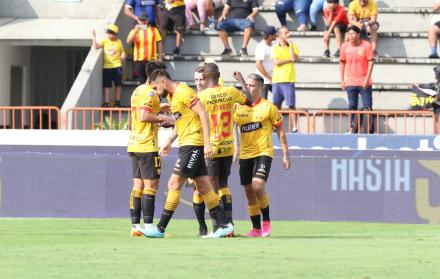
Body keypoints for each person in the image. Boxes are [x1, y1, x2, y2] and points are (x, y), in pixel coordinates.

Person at [143, 69, 234, 238]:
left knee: (173, 184)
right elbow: (182, 121)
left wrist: (207, 143)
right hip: (187, 144)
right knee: (204, 186)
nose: (156, 93)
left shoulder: (183, 91)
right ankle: (223, 226)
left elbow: (203, 114)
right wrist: (170, 141)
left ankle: (160, 229)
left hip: (194, 144)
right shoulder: (172, 97)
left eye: (155, 89)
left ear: (163, 82)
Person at [191, 63, 252, 236]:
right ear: (218, 75)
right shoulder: (230, 91)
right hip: (227, 147)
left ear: (205, 77)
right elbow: (249, 101)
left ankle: (213, 227)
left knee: (205, 188)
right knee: (223, 184)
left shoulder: (201, 97)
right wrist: (241, 80)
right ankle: (228, 224)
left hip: (209, 147)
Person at [233, 74, 291, 237]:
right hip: (245, 155)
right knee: (249, 192)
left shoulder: (269, 107)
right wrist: (236, 147)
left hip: (263, 152)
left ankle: (266, 222)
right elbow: (233, 126)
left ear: (260, 87)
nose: (248, 88)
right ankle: (256, 228)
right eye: (247, 85)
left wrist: (286, 154)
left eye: (252, 85)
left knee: (258, 185)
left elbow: (280, 131)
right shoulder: (238, 107)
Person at [127, 62, 175, 237]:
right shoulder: (151, 93)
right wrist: (162, 118)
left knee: (137, 187)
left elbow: (133, 117)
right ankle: (148, 227)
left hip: (134, 143)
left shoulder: (137, 90)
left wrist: (158, 108)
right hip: (147, 145)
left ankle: (135, 226)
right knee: (151, 187)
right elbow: (144, 115)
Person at [340, 25, 374, 132]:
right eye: (349, 34)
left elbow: (371, 62)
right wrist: (342, 80)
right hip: (350, 81)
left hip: (364, 81)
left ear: (359, 35)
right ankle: (352, 128)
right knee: (352, 106)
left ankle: (369, 130)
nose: (351, 36)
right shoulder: (345, 47)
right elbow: (342, 63)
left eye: (353, 33)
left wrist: (367, 78)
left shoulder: (366, 45)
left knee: (367, 106)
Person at [270, 26, 300, 132]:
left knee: (291, 105)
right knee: (276, 105)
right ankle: (275, 125)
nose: (288, 34)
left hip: (288, 80)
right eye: (286, 33)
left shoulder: (293, 46)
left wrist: (290, 45)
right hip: (277, 80)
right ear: (280, 35)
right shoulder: (274, 48)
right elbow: (276, 62)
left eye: (288, 32)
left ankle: (295, 127)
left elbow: (295, 58)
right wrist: (289, 59)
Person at [92, 24, 126, 107]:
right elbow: (96, 46)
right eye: (108, 32)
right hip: (107, 67)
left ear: (115, 34)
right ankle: (106, 102)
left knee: (118, 84)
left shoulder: (119, 42)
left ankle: (117, 101)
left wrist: (123, 56)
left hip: (117, 66)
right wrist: (94, 37)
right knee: (107, 85)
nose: (108, 34)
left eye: (110, 32)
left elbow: (123, 52)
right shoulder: (105, 41)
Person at [127, 13, 163, 84]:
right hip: (139, 60)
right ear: (138, 21)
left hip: (152, 60)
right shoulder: (134, 31)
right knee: (142, 81)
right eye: (141, 20)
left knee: (153, 81)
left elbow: (159, 44)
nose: (143, 21)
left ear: (148, 20)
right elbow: (128, 41)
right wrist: (135, 31)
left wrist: (160, 58)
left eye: (144, 20)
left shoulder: (154, 30)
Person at [413, 65, 440, 133]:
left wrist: (428, 104)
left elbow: (438, 97)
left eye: (436, 72)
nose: (435, 74)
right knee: (436, 121)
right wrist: (420, 85)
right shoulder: (437, 83)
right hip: (437, 109)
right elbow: (431, 85)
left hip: (438, 108)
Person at [255, 26, 277, 99]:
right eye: (274, 34)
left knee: (280, 97)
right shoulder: (261, 47)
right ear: (270, 35)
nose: (276, 35)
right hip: (264, 79)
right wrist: (269, 78)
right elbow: (258, 65)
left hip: (273, 77)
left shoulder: (274, 44)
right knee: (262, 101)